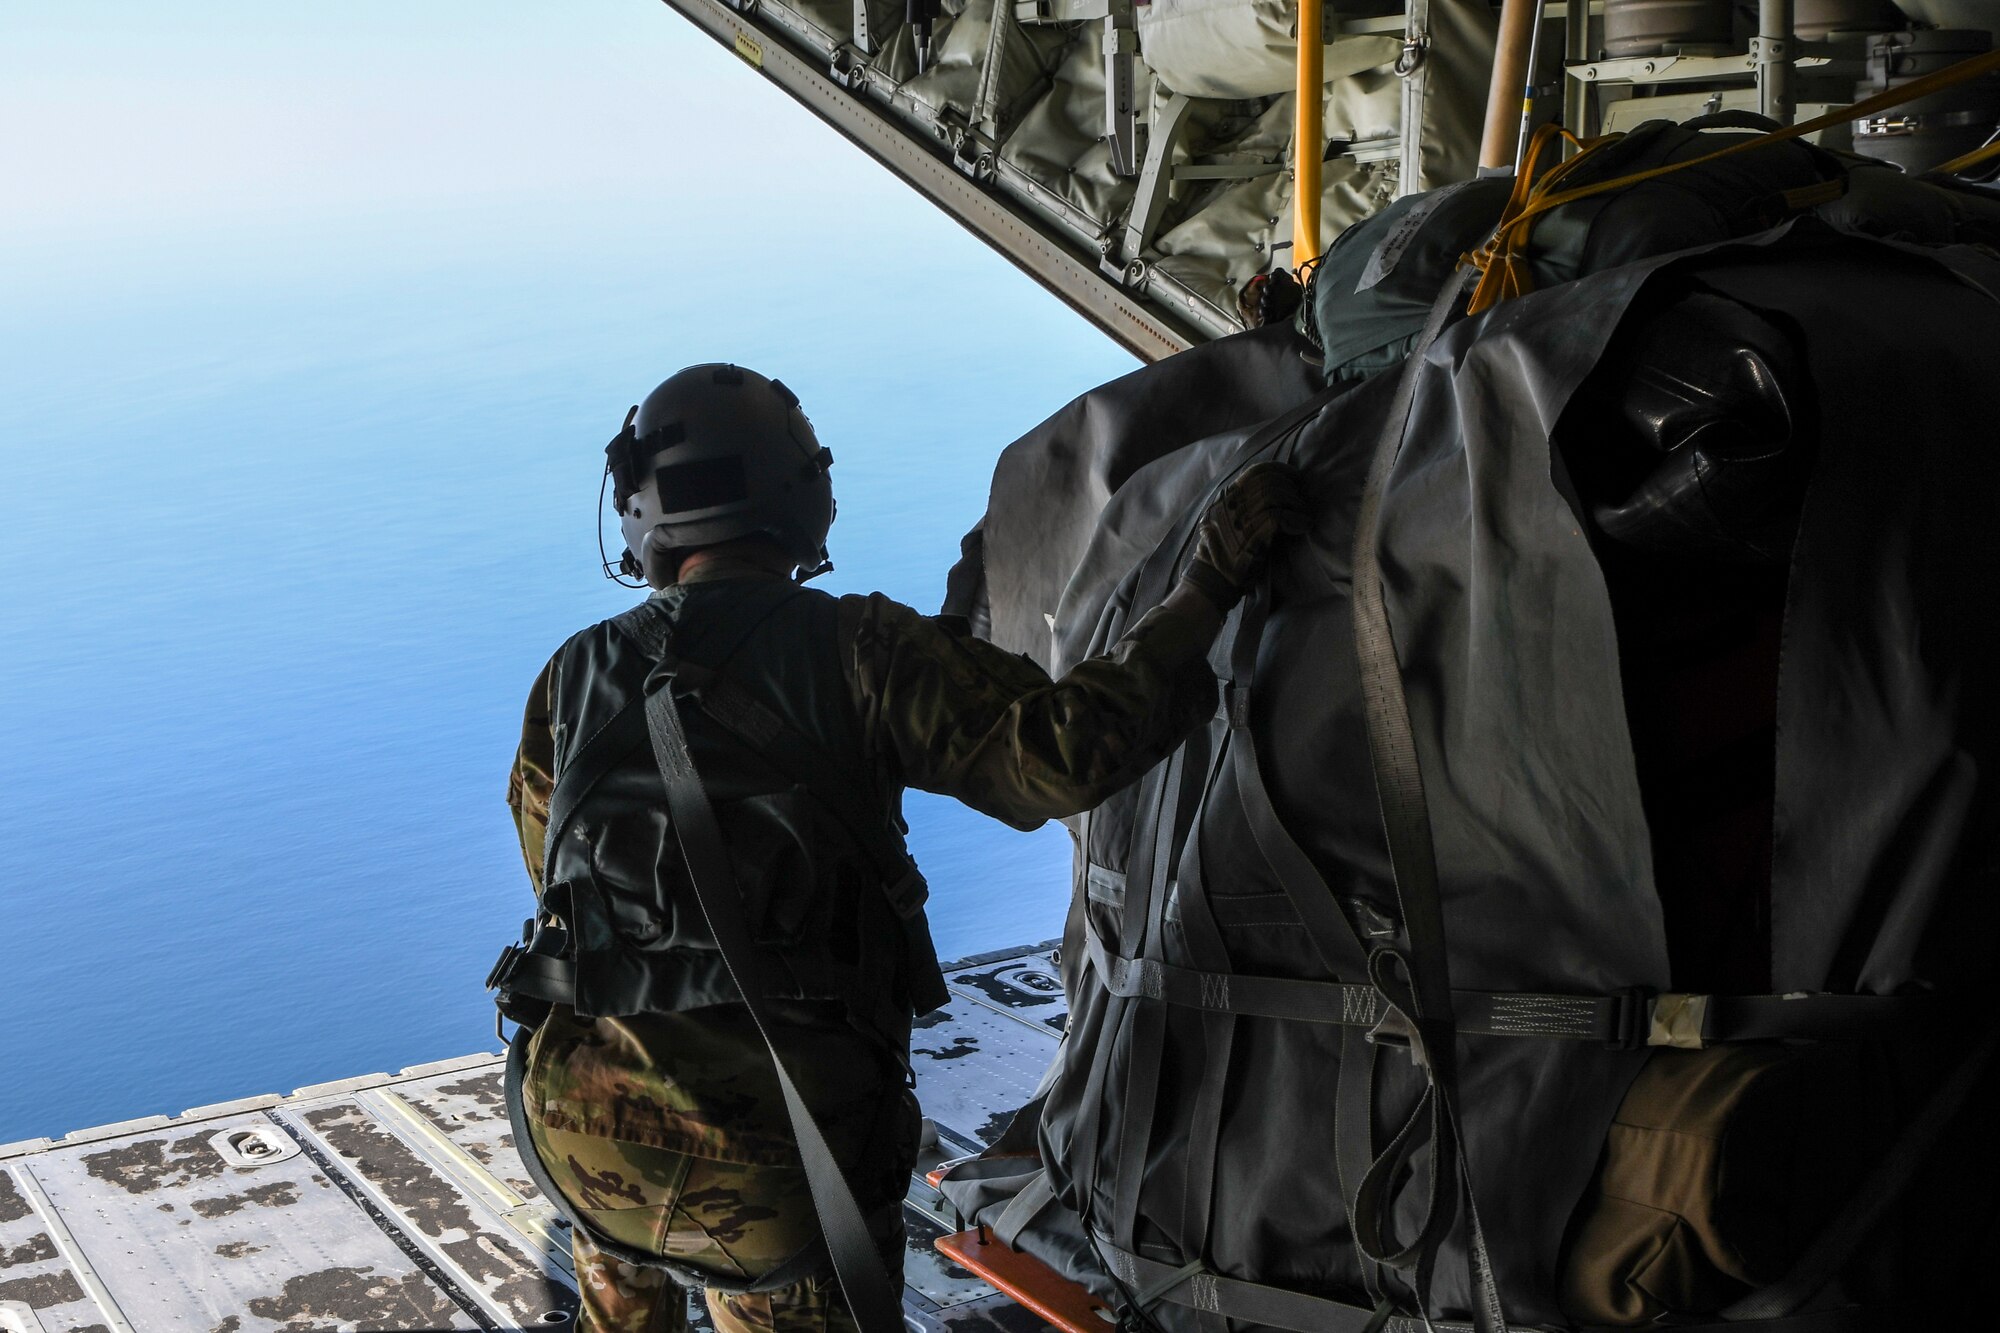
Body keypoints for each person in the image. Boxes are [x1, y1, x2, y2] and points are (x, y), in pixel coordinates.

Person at [495, 363, 1304, 1333]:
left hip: (581, 1130)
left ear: (641, 515)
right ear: (802, 498)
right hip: (776, 1155)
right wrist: (1206, 586)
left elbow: (555, 880)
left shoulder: (572, 675)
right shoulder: (859, 648)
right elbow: (1061, 755)